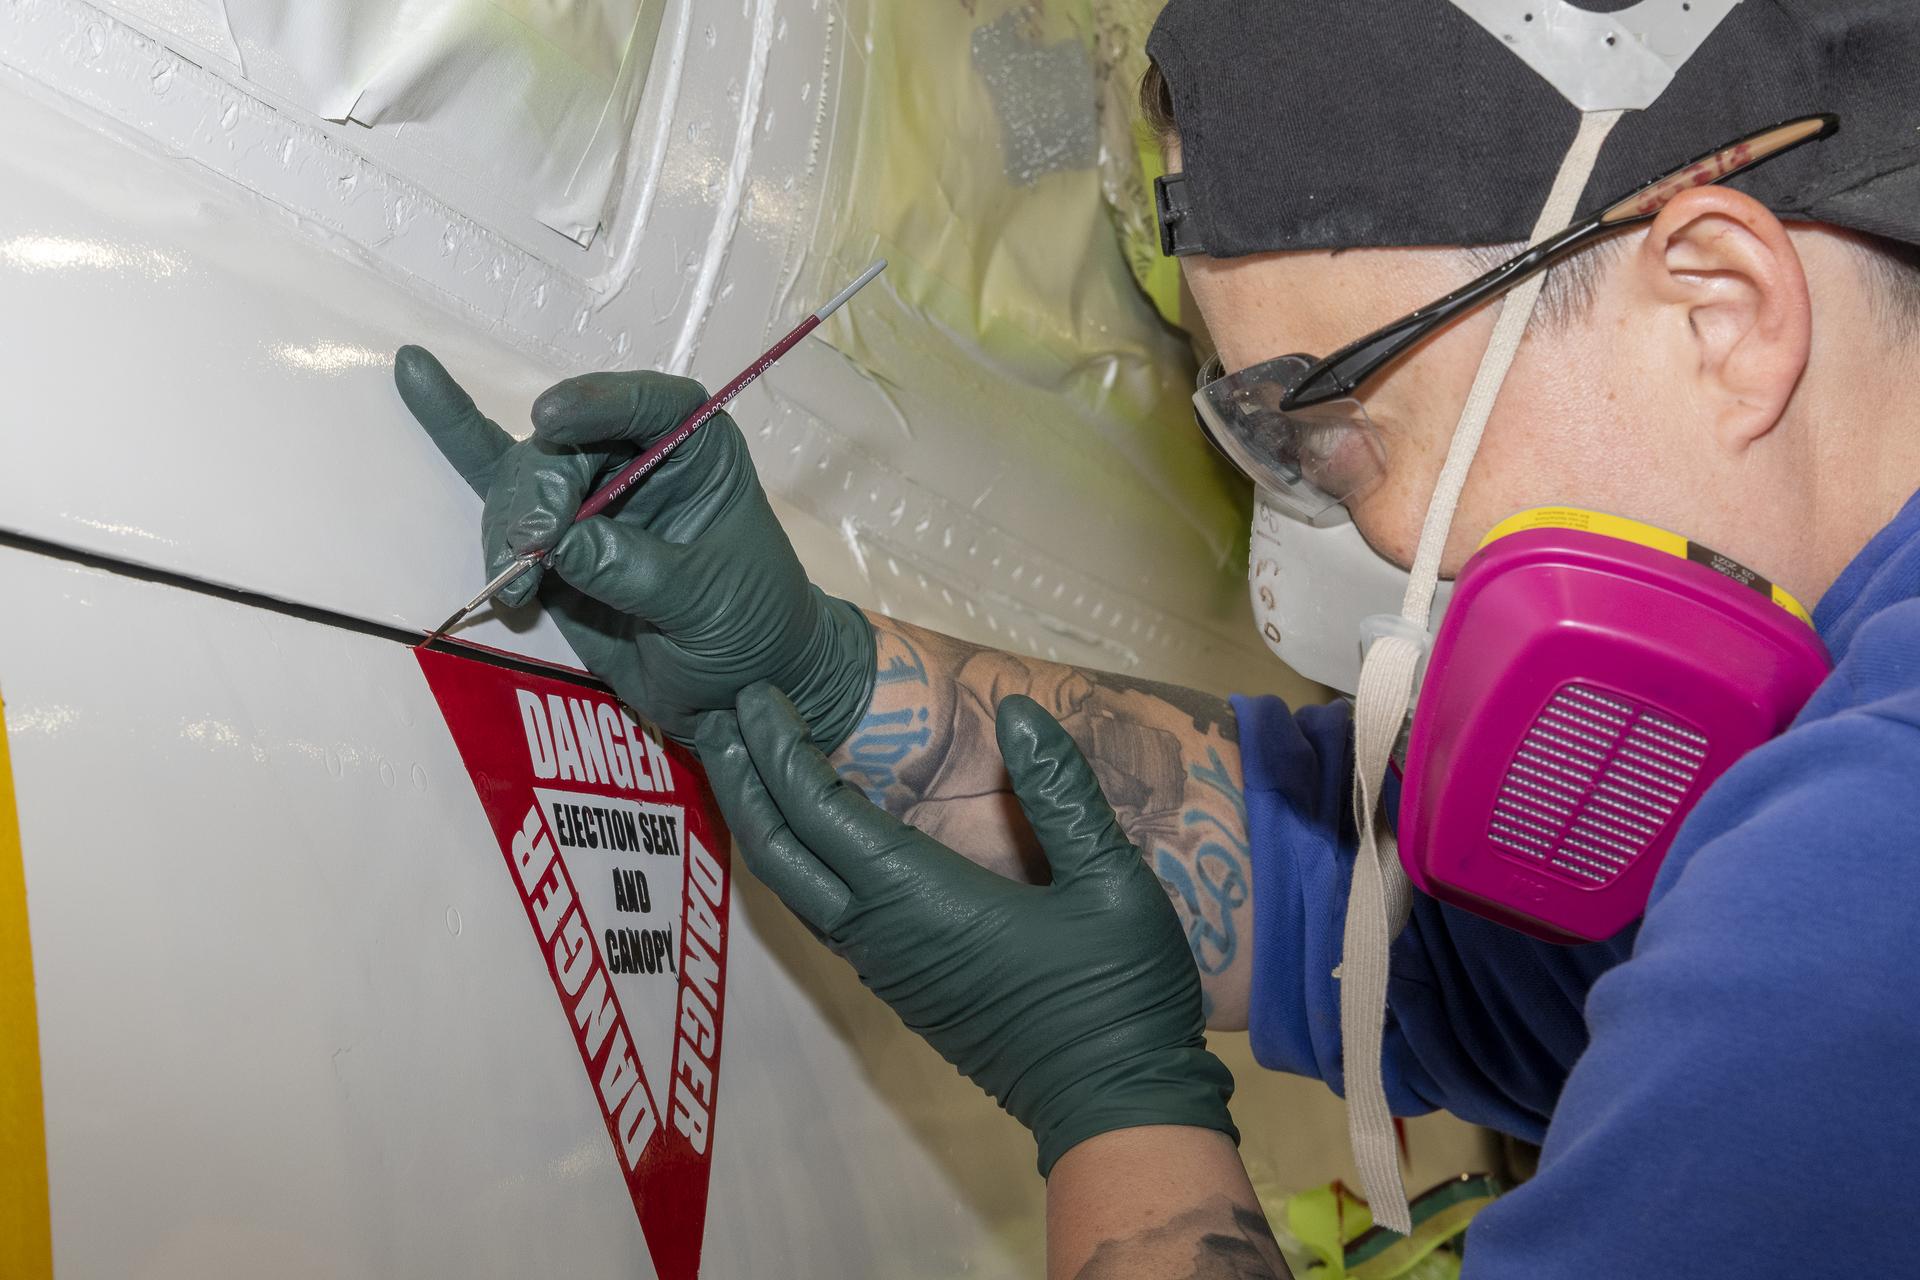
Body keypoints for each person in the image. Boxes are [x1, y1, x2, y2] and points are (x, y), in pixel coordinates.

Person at [395, 1, 1920, 1273]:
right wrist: (810, 669)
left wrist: (1117, 1100)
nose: (1364, 539)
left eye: (1333, 432)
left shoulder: (1860, 897)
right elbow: (1376, 914)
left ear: (1719, 310)